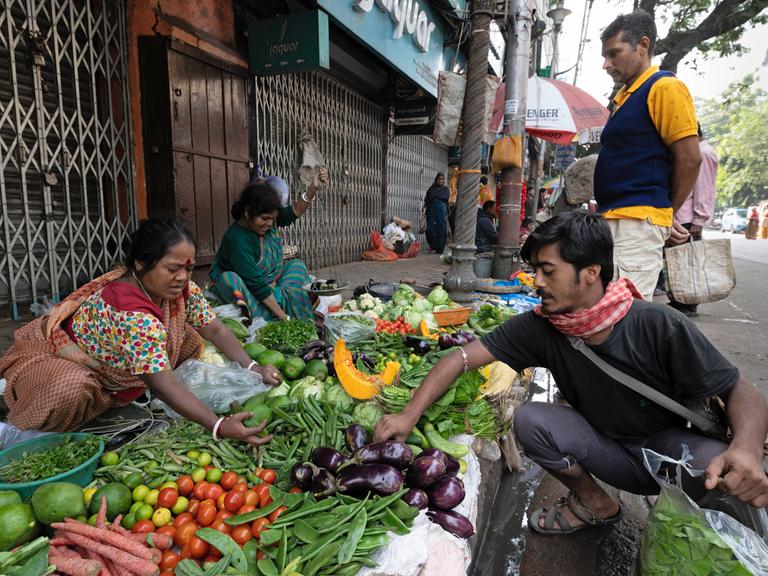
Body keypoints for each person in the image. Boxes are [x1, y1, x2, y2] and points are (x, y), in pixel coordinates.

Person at [375, 210, 768, 536]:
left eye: (548, 271)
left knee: (727, 474)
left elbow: (739, 389)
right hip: (611, 453)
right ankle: (596, 503)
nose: (536, 282)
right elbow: (458, 358)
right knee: (531, 419)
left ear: (590, 273)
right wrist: (409, 413)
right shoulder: (541, 325)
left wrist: (747, 450)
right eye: (535, 270)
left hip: (674, 452)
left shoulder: (656, 324)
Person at [0, 218, 282, 442]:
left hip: (119, 361)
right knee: (69, 390)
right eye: (172, 268)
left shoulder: (180, 289)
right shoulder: (131, 313)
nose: (182, 277)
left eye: (188, 268)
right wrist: (218, 425)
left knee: (188, 339)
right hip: (68, 361)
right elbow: (164, 384)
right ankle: (24, 427)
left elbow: (215, 329)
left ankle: (130, 390)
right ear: (140, 263)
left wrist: (253, 366)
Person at [594, 10, 702, 302]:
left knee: (622, 316)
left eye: (614, 54)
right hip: (615, 220)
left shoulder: (665, 87)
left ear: (642, 45)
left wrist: (666, 214)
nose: (606, 64)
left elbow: (690, 159)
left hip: (637, 223)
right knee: (603, 311)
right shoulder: (626, 96)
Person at [211, 168, 329, 322]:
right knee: (229, 279)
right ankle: (276, 310)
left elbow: (295, 211)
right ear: (247, 212)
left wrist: (313, 189)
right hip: (249, 290)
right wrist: (285, 318)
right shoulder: (237, 240)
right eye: (265, 218)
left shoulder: (268, 220)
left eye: (273, 219)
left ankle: (281, 302)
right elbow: (256, 286)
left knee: (297, 266)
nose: (269, 223)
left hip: (271, 286)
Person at [666, 125, 718, 316]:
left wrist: (699, 219)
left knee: (688, 260)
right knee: (678, 260)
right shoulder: (700, 152)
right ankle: (680, 300)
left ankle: (687, 303)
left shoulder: (703, 153)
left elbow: (704, 189)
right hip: (683, 215)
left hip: (688, 217)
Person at [424, 172, 450, 253]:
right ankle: (433, 246)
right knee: (430, 228)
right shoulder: (431, 189)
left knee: (441, 227)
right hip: (431, 208)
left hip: (441, 208)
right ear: (436, 179)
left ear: (443, 181)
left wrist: (435, 197)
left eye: (442, 179)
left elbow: (444, 197)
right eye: (439, 179)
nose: (440, 181)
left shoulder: (445, 189)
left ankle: (440, 248)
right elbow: (427, 198)